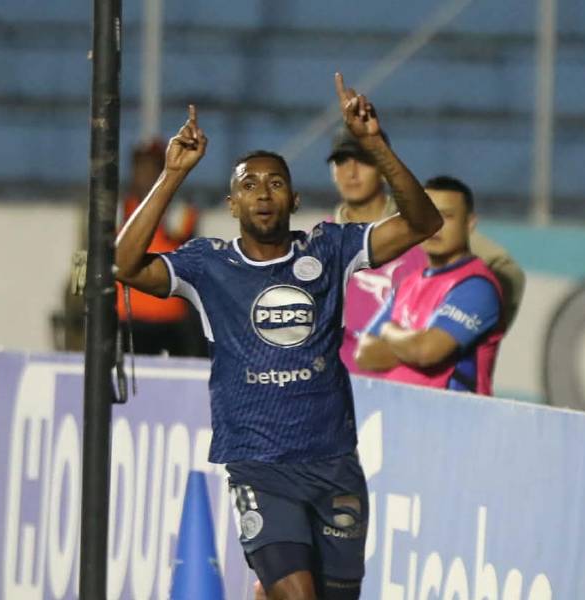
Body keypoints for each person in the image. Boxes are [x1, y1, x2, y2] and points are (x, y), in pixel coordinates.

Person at [114, 73, 442, 600]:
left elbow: (422, 223)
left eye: (275, 184)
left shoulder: (330, 250)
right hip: (259, 466)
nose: (262, 194)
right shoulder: (209, 267)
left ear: (293, 199)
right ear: (232, 204)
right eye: (249, 185)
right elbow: (124, 263)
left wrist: (375, 145)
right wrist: (172, 174)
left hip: (333, 463)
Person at [328, 130, 526, 381]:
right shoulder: (325, 241)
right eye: (341, 161)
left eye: (364, 160)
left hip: (422, 384)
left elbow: (506, 270)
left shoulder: (421, 222)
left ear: (382, 166)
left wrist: (465, 336)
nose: (351, 172)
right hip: (349, 386)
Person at [354, 176, 504, 395]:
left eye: (447, 216)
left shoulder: (477, 287)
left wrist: (389, 330)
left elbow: (425, 352)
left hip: (453, 421)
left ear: (469, 223)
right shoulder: (409, 283)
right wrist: (412, 346)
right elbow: (365, 355)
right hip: (400, 416)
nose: (436, 225)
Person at [117, 138, 202, 357]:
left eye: (153, 168)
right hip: (124, 319)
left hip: (170, 322)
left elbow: (188, 248)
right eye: (141, 168)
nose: (146, 175)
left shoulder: (178, 212)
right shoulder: (118, 210)